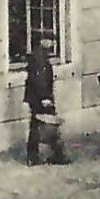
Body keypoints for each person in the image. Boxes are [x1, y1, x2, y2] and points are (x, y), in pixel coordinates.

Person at [24, 34, 67, 164]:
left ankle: (35, 156)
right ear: (43, 41)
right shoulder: (39, 58)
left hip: (36, 97)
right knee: (47, 126)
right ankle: (55, 155)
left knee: (38, 126)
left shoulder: (39, 55)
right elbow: (39, 79)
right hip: (40, 97)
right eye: (50, 41)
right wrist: (45, 98)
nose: (52, 44)